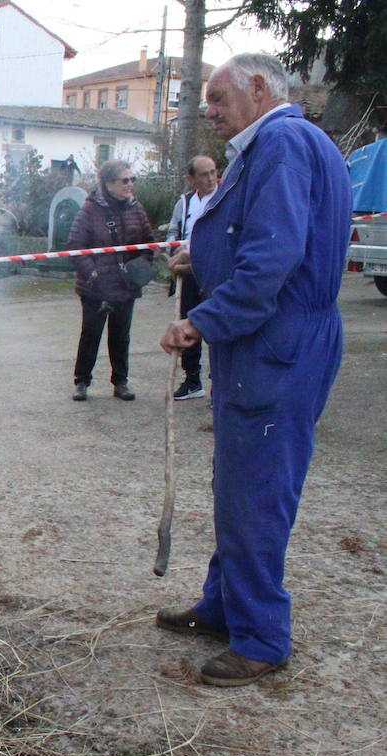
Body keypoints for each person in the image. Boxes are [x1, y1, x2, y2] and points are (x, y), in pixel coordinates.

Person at [157, 54, 352, 687]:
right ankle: (224, 606)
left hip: (276, 342)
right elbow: (255, 236)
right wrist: (203, 256)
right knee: (238, 483)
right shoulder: (276, 143)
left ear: (259, 89)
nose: (207, 111)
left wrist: (201, 322)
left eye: (216, 98)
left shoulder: (284, 142)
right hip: (269, 341)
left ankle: (263, 637)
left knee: (258, 493)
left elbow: (273, 258)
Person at [66, 159, 154, 402]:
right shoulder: (90, 209)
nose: (130, 185)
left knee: (120, 335)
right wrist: (92, 274)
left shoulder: (136, 208)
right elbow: (74, 245)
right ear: (109, 183)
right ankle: (82, 381)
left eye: (132, 179)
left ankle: (121, 381)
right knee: (91, 334)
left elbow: (149, 241)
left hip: (126, 286)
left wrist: (142, 267)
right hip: (96, 287)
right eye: (125, 180)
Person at [165, 155, 220, 400]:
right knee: (188, 324)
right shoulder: (185, 203)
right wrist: (172, 250)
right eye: (203, 174)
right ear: (191, 179)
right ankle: (192, 380)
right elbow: (173, 230)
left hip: (214, 273)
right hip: (187, 275)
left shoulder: (224, 198)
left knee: (217, 328)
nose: (210, 178)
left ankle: (219, 385)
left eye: (213, 172)